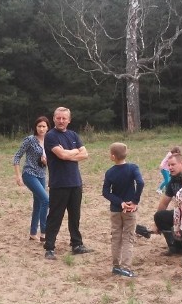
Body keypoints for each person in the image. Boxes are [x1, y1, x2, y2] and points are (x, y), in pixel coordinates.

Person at [43, 107, 91, 260]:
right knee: (55, 216)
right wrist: (74, 152)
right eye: (58, 118)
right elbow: (61, 154)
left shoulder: (74, 135)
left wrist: (69, 154)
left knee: (75, 216)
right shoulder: (51, 136)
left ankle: (76, 244)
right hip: (59, 183)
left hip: (75, 182)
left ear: (69, 120)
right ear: (54, 118)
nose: (61, 121)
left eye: (64, 118)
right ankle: (49, 247)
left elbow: (85, 154)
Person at [102, 142, 145, 277]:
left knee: (116, 237)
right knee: (128, 237)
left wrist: (119, 202)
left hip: (115, 209)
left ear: (113, 156)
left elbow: (105, 192)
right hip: (130, 210)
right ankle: (126, 267)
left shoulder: (110, 172)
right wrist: (134, 201)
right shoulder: (133, 168)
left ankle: (116, 266)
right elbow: (140, 182)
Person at [13, 116, 50, 242]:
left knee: (38, 203)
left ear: (47, 128)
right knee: (46, 200)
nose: (41, 129)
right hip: (29, 174)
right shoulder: (30, 140)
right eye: (39, 126)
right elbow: (17, 157)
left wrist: (46, 162)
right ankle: (44, 233)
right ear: (35, 127)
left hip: (42, 174)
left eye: (44, 126)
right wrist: (18, 175)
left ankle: (33, 233)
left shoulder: (49, 141)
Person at [152, 153, 182, 255]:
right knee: (159, 216)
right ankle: (176, 247)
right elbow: (164, 203)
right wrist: (156, 223)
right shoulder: (173, 181)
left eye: (173, 164)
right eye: (169, 165)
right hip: (180, 213)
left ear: (181, 164)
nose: (170, 167)